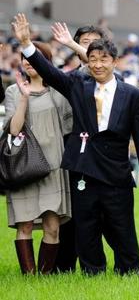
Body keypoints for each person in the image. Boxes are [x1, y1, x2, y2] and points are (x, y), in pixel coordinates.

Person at [12, 13, 139, 275]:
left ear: (115, 62)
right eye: (93, 59)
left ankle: (131, 270)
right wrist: (26, 44)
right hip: (84, 168)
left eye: (104, 60)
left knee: (122, 224)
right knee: (86, 225)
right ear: (87, 62)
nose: (98, 65)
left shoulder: (132, 94)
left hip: (117, 170)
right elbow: (49, 73)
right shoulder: (78, 84)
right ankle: (93, 271)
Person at [4, 41, 73, 275]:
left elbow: (68, 127)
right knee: (24, 224)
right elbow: (14, 130)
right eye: (24, 58)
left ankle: (44, 277)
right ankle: (29, 276)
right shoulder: (13, 91)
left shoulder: (59, 91)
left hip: (54, 165)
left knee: (52, 226)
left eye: (33, 58)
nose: (27, 62)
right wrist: (24, 98)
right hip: (24, 166)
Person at [50, 22, 107, 273]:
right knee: (70, 210)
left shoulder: (111, 78)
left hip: (102, 155)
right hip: (71, 149)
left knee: (101, 213)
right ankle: (64, 265)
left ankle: (96, 264)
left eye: (96, 43)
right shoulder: (66, 78)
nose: (90, 48)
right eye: (84, 43)